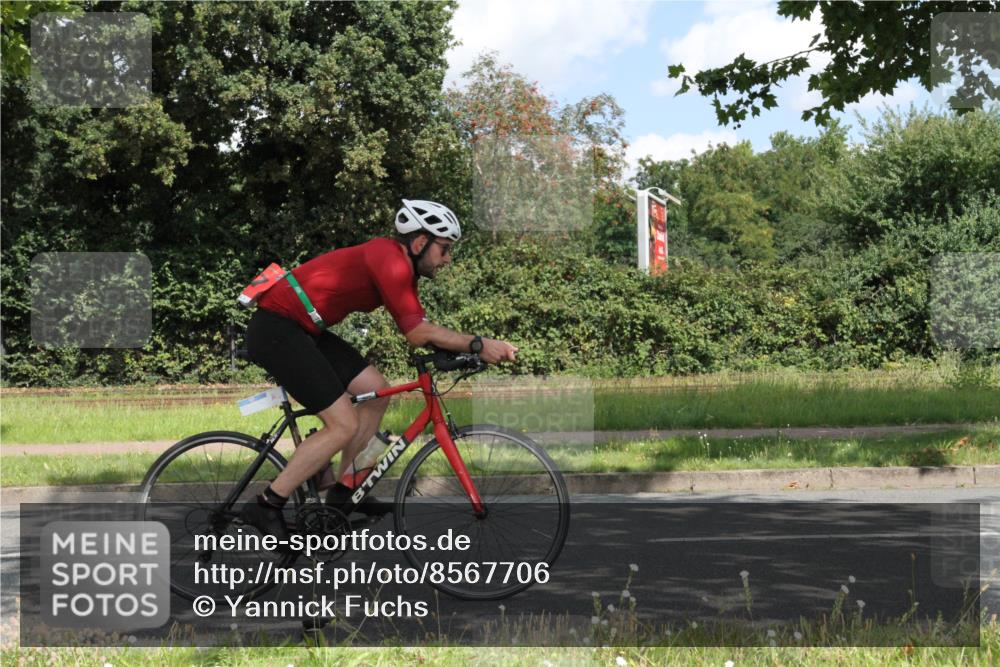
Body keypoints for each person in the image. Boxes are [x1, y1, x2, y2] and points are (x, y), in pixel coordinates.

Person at [239, 199, 518, 543]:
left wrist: (458, 350)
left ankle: (343, 492)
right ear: (420, 243)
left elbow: (420, 329)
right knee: (343, 424)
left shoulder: (402, 268)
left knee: (374, 390)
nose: (447, 259)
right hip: (277, 329)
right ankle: (267, 505)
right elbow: (418, 334)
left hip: (303, 330)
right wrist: (478, 343)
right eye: (444, 249)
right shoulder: (389, 260)